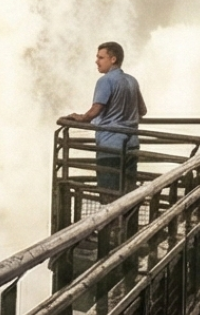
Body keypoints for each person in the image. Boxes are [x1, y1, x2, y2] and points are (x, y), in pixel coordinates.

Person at [61, 42, 146, 199]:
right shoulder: (132, 81)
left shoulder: (105, 81)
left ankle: (111, 224)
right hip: (132, 145)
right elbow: (143, 110)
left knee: (109, 195)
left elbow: (95, 111)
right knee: (128, 195)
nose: (97, 61)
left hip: (110, 147)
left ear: (113, 59)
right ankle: (127, 223)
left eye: (101, 57)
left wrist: (79, 117)